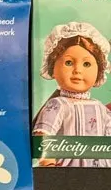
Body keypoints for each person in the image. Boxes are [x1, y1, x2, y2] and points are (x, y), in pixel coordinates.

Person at [32, 22, 111, 168]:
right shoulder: (57, 105)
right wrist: (48, 162)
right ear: (53, 67)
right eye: (68, 63)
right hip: (67, 172)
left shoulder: (101, 108)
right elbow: (44, 134)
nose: (77, 70)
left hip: (102, 171)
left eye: (86, 64)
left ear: (99, 71)